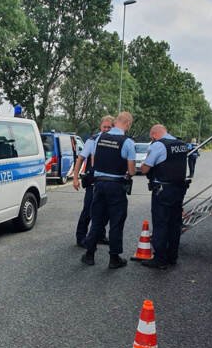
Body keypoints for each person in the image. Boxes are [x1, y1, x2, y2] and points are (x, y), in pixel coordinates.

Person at [81, 111, 136, 269]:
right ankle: (114, 258)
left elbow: (93, 159)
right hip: (116, 186)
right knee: (116, 222)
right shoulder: (127, 142)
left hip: (99, 185)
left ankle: (89, 254)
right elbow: (131, 171)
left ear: (116, 121)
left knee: (97, 220)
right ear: (127, 124)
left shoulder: (98, 138)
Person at [139, 123, 192, 270]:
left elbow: (145, 168)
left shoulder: (158, 145)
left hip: (163, 190)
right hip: (179, 189)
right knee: (175, 224)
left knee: (161, 224)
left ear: (154, 135)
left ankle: (160, 259)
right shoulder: (182, 144)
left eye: (152, 138)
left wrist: (142, 166)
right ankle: (172, 257)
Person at [72, 115, 114, 246]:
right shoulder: (93, 140)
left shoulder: (116, 141)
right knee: (89, 210)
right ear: (100, 127)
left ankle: (100, 235)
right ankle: (81, 238)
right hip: (93, 181)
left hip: (108, 182)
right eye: (104, 126)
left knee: (106, 211)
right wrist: (75, 178)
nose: (106, 129)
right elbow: (80, 158)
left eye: (109, 127)